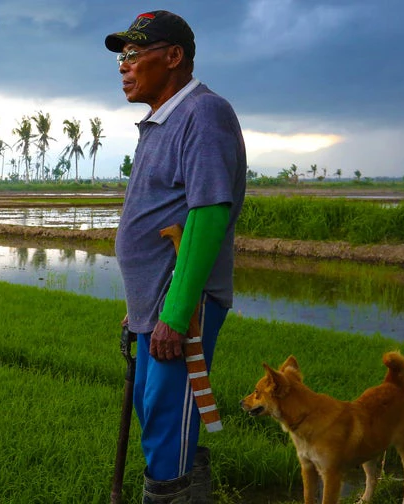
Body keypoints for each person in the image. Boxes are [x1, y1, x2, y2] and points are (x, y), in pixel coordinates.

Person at [106, 10, 247, 504]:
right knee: (155, 410)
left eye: (132, 55)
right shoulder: (159, 122)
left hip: (182, 306)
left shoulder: (202, 114)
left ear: (173, 57)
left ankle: (171, 493)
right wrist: (141, 305)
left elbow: (208, 215)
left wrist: (176, 309)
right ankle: (189, 487)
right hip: (157, 305)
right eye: (120, 58)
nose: (124, 67)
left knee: (167, 421)